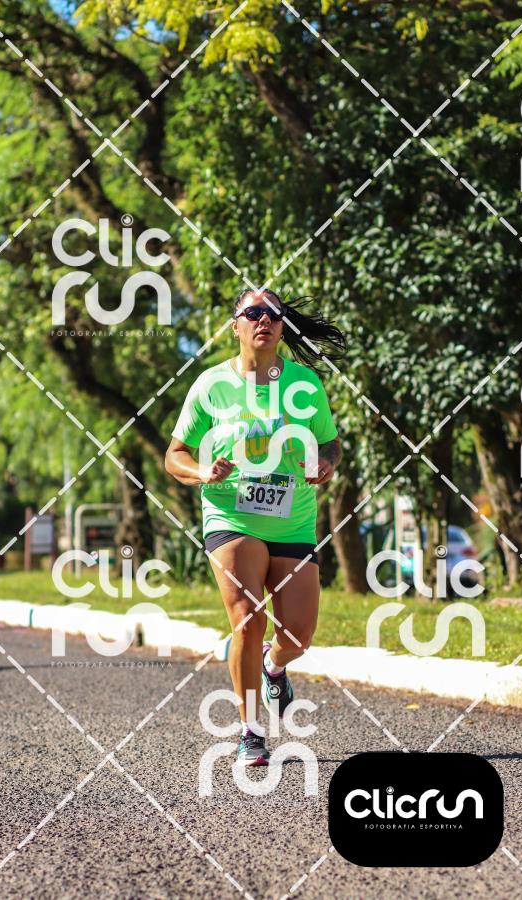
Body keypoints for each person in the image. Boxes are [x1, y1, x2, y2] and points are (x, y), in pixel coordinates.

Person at [165, 288, 345, 766]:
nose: (263, 319)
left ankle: (274, 664)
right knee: (247, 617)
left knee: (298, 635)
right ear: (236, 326)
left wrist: (326, 463)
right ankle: (250, 730)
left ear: (282, 327)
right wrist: (202, 472)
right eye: (253, 312)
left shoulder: (304, 383)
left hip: (293, 518)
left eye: (273, 314)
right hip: (231, 514)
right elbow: (174, 455)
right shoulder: (211, 385)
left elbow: (330, 443)